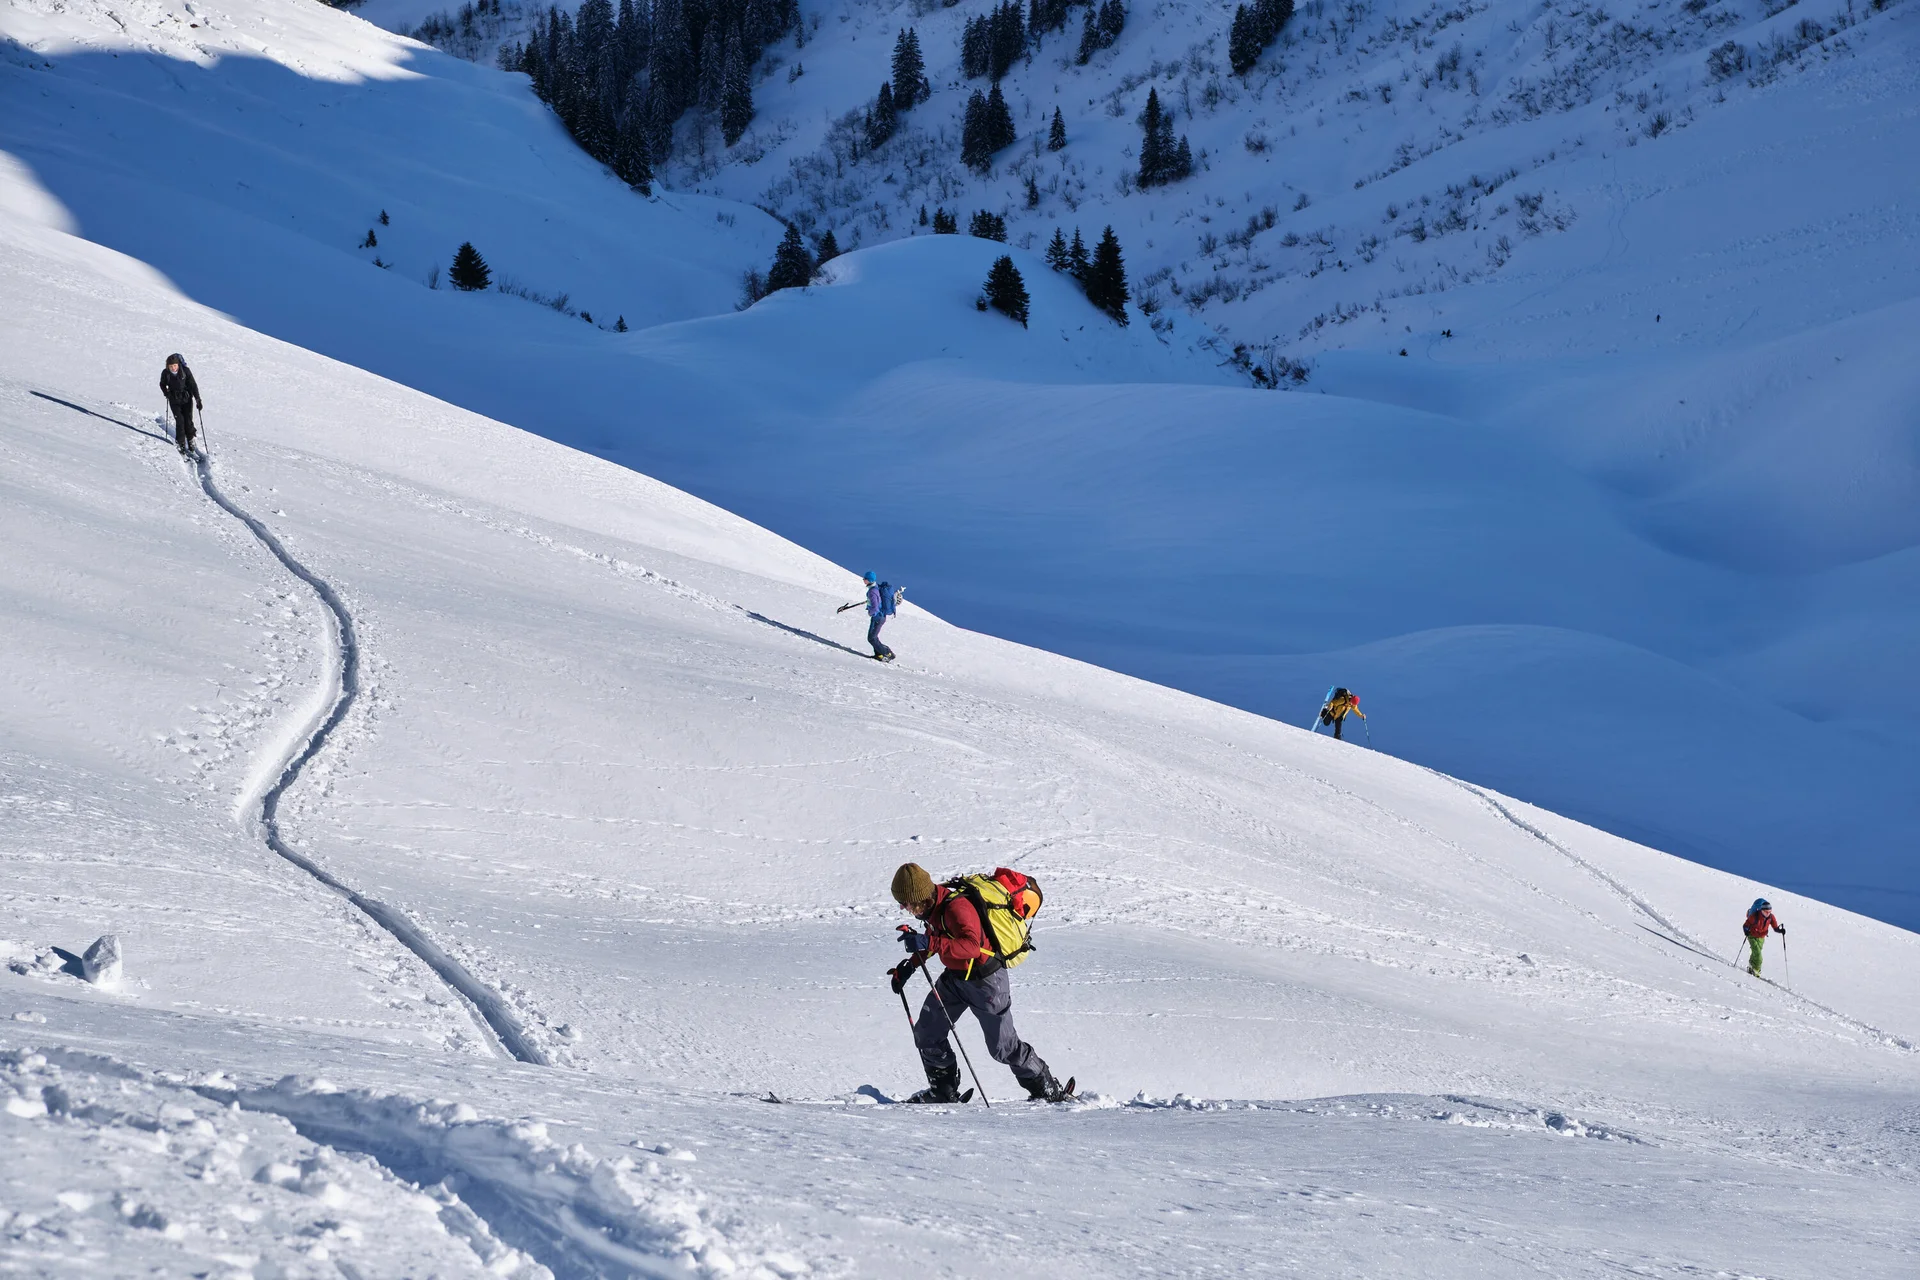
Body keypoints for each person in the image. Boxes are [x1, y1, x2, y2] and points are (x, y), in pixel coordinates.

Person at [889, 861, 1071, 1103]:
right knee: (926, 1033)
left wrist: (927, 943)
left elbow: (971, 947)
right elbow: (937, 938)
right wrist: (910, 966)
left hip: (987, 983)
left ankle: (1047, 1090)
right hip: (955, 979)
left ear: (920, 897)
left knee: (1003, 1048)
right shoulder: (932, 908)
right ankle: (942, 1091)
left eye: (906, 903)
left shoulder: (957, 908)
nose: (904, 908)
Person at [159, 353, 203, 457]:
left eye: (175, 365)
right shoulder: (166, 373)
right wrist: (166, 393)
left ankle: (191, 439)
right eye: (171, 366)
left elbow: (193, 385)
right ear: (168, 366)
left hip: (186, 399)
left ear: (178, 364)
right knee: (180, 421)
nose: (173, 368)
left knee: (188, 420)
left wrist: (198, 399)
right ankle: (181, 443)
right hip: (174, 400)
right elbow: (162, 384)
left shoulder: (185, 371)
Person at [863, 571, 902, 662]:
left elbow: (875, 606)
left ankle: (887, 653)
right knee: (873, 637)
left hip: (878, 617)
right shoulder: (875, 588)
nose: (863, 580)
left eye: (865, 579)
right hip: (880, 616)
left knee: (872, 638)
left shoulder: (873, 591)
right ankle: (879, 655)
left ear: (869, 580)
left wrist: (871, 613)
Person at [1743, 898, 1785, 976]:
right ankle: (1756, 970)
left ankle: (1751, 966)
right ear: (1762, 910)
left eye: (1769, 912)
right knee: (1758, 955)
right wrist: (1746, 931)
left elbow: (1775, 928)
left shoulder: (1771, 917)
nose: (1768, 914)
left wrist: (1781, 931)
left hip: (1761, 937)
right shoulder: (1754, 916)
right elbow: (1746, 925)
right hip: (1752, 936)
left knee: (1755, 952)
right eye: (1766, 912)